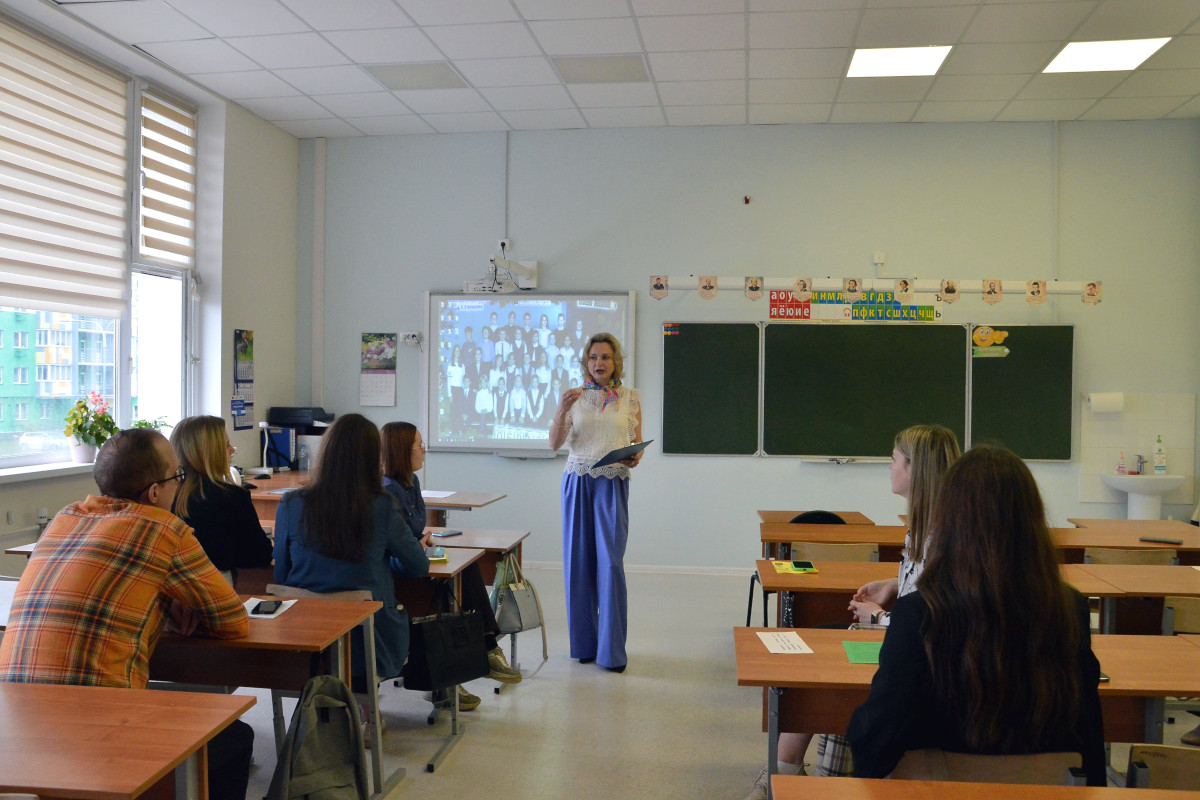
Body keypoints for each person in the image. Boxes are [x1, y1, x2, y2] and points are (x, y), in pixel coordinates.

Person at [0, 428, 253, 800]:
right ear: (155, 492)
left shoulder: (63, 519)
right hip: (95, 728)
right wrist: (183, 601)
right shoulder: (165, 528)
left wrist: (166, 598)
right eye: (177, 477)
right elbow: (233, 622)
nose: (179, 485)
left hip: (15, 720)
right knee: (233, 737)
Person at [847, 445, 1105, 785]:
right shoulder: (1066, 609)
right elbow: (1087, 733)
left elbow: (874, 746)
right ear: (1032, 524)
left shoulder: (919, 614)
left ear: (949, 521)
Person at [745, 424, 960, 798]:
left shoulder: (943, 537)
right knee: (815, 648)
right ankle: (785, 774)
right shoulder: (923, 524)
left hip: (917, 661)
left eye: (893, 460)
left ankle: (797, 778)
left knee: (826, 664)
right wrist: (892, 585)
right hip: (901, 644)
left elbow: (933, 628)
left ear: (913, 469)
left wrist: (876, 617)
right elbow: (919, 591)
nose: (889, 468)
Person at [274, 414, 430, 690]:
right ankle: (366, 714)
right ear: (373, 458)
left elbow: (282, 573)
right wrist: (385, 561)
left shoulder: (291, 503)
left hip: (304, 630)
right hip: (369, 635)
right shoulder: (383, 506)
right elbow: (418, 567)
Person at [380, 421, 522, 711]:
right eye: (418, 445)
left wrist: (421, 541)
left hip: (415, 560)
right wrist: (417, 543)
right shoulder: (387, 492)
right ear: (400, 452)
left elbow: (416, 530)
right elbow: (398, 542)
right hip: (399, 573)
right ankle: (464, 667)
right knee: (451, 589)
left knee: (464, 567)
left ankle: (465, 666)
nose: (424, 450)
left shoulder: (411, 482)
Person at [549, 333, 643, 672]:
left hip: (613, 484)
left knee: (611, 565)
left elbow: (636, 446)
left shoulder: (630, 399)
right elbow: (554, 443)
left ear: (616, 360)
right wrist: (561, 409)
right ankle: (584, 646)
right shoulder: (574, 398)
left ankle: (611, 653)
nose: (599, 363)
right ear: (585, 362)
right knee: (578, 563)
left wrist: (635, 458)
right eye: (593, 358)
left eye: (605, 357)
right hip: (577, 480)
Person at [170, 414, 273, 585]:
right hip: (218, 589)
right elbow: (259, 556)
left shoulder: (166, 497)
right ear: (210, 454)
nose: (232, 449)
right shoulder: (231, 496)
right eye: (226, 445)